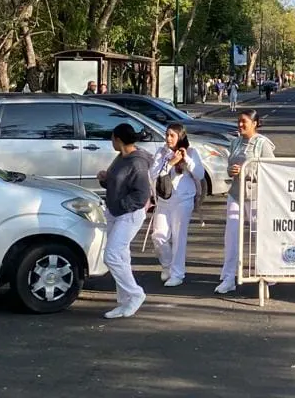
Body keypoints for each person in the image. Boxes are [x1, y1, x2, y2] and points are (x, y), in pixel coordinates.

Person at [96, 123, 153, 319]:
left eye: (112, 138)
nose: (111, 142)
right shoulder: (121, 157)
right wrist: (105, 179)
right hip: (115, 211)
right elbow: (118, 181)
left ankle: (136, 294)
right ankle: (124, 300)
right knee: (121, 257)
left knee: (111, 256)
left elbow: (142, 194)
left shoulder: (136, 162)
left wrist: (122, 206)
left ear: (118, 139)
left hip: (129, 214)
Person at [218, 108, 275, 294]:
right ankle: (228, 278)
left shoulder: (263, 144)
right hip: (236, 194)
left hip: (257, 197)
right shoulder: (235, 142)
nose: (240, 125)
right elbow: (229, 167)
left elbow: (272, 170)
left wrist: (247, 171)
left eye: (244, 121)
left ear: (255, 123)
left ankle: (267, 273)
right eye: (239, 121)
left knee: (259, 236)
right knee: (231, 236)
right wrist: (231, 171)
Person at [149, 123, 205, 288]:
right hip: (165, 200)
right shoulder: (161, 152)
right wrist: (171, 162)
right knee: (158, 236)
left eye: (172, 135)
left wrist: (186, 158)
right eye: (167, 135)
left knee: (179, 238)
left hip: (183, 199)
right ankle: (167, 265)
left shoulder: (191, 152)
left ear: (180, 137)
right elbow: (153, 174)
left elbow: (200, 174)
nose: (168, 139)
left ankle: (177, 273)